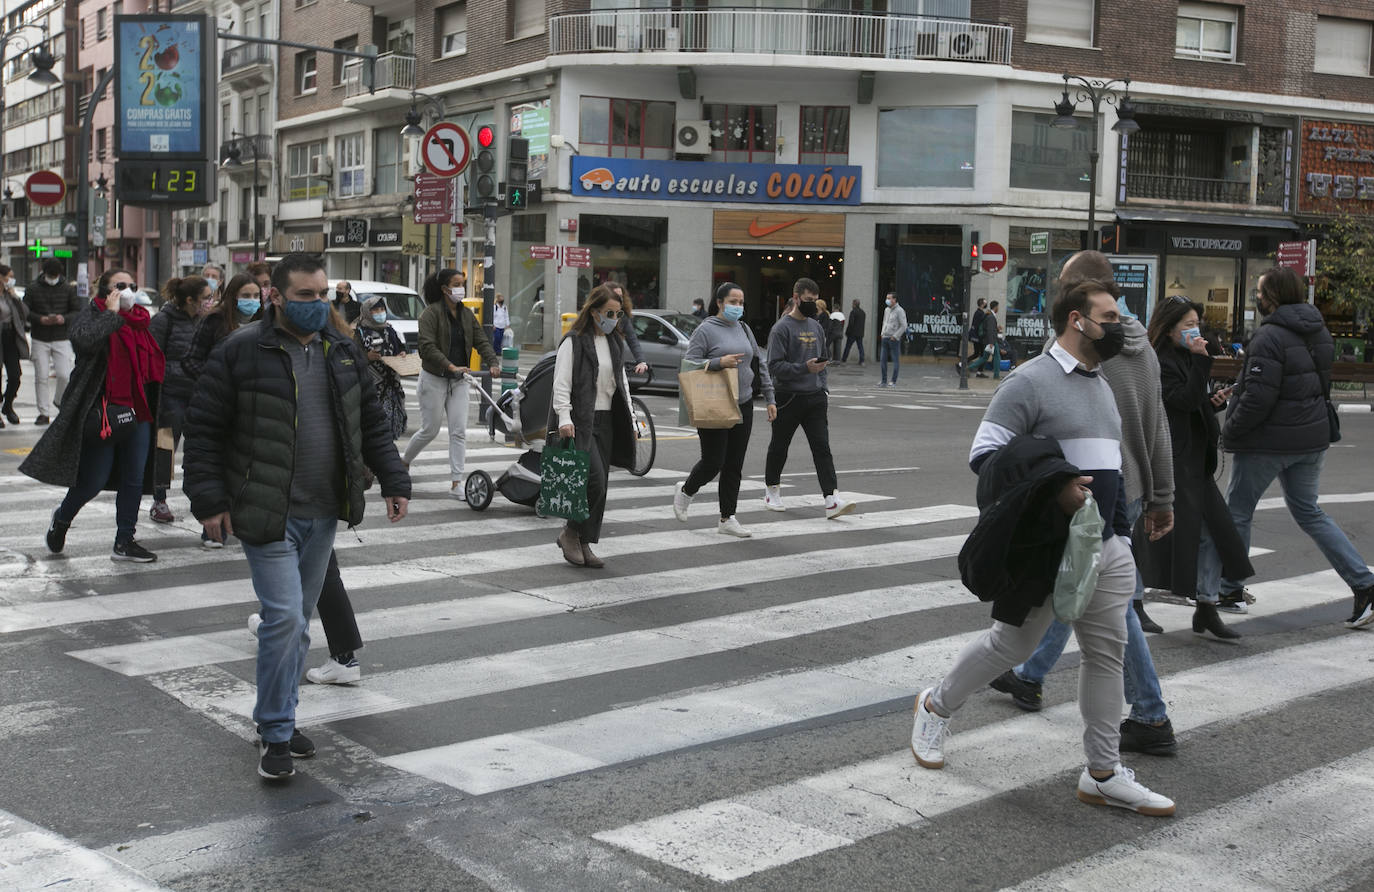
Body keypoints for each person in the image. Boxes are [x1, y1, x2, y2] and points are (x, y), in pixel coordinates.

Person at [911, 278, 1175, 817]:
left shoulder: (1103, 384)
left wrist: (1120, 537)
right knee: (1010, 646)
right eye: (1110, 316)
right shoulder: (1028, 382)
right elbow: (985, 456)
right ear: (1077, 320)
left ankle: (1101, 772)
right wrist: (1054, 487)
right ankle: (936, 706)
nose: (1121, 326)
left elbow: (1112, 470)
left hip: (1104, 547)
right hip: (1042, 549)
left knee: (1106, 656)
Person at [182, 253, 410, 781]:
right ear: (277, 297)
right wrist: (210, 502)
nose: (318, 304)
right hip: (265, 510)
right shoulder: (241, 350)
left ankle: (277, 718)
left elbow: (370, 424)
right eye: (306, 296)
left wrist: (395, 481)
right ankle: (277, 729)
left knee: (298, 624)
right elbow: (205, 431)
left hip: (323, 510)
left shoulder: (341, 351)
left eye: (323, 294)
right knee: (283, 617)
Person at [989, 251, 1180, 758]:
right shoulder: (1146, 348)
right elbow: (1158, 427)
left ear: (1080, 298)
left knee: (1114, 609)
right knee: (1080, 590)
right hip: (1132, 488)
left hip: (1097, 491)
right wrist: (1162, 495)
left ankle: (1150, 714)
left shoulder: (1098, 351)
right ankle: (1030, 677)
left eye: (1064, 290)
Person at [1220, 265, 1374, 628]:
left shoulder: (1268, 335)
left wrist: (1231, 431)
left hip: (1269, 442)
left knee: (1238, 512)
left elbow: (1259, 397)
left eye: (1259, 292)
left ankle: (1230, 588)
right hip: (1312, 438)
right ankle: (1364, 583)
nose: (1256, 298)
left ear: (1271, 296)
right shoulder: (1319, 329)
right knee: (1309, 512)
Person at [21, 267, 164, 563]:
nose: (127, 290)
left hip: (138, 409)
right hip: (103, 410)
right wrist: (111, 315)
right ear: (105, 291)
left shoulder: (140, 320)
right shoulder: (92, 315)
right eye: (119, 285)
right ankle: (62, 518)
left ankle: (124, 540)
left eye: (131, 284)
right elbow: (84, 342)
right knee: (93, 480)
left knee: (134, 478)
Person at [1133, 295, 1252, 640]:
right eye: (1188, 325)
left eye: (1197, 323)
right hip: (1172, 460)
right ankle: (1134, 603)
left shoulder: (1187, 357)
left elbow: (1190, 405)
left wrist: (1210, 404)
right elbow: (1180, 401)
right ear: (1169, 329)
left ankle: (1206, 605)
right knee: (1149, 533)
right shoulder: (1160, 360)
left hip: (1194, 461)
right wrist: (1203, 363)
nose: (1195, 330)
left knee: (1216, 533)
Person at [674, 282, 776, 537]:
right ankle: (687, 490)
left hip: (743, 402)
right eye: (733, 302)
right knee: (713, 461)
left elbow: (759, 362)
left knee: (734, 464)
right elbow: (689, 365)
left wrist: (770, 397)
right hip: (714, 402)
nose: (737, 307)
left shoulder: (743, 328)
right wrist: (719, 362)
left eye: (741, 303)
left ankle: (727, 517)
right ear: (719, 303)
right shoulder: (706, 330)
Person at [550, 284, 636, 568]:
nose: (613, 318)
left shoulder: (615, 342)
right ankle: (570, 532)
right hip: (582, 420)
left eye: (618, 313)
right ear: (594, 311)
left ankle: (583, 541)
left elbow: (621, 383)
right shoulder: (574, 341)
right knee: (593, 482)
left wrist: (632, 419)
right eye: (608, 313)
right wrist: (565, 417)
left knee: (601, 486)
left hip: (608, 420)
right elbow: (561, 384)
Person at [402, 268, 500, 500]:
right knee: (430, 430)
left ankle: (457, 482)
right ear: (445, 289)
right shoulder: (430, 314)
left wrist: (493, 362)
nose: (461, 288)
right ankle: (404, 461)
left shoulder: (467, 315)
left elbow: (481, 340)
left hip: (459, 381)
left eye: (462, 283)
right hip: (434, 379)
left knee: (459, 431)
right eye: (456, 284)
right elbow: (426, 347)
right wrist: (449, 366)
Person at [763, 278, 855, 519]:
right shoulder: (781, 328)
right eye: (807, 300)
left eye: (814, 301)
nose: (812, 305)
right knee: (780, 447)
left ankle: (831, 498)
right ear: (795, 298)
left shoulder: (816, 327)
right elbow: (774, 366)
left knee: (822, 447)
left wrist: (823, 387)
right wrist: (805, 369)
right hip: (788, 396)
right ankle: (772, 490)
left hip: (815, 397)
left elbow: (822, 362)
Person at [147, 276, 211, 525]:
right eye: (206, 297)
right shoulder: (164, 320)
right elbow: (152, 357)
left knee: (200, 450)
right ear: (189, 300)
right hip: (171, 395)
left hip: (200, 394)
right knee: (165, 448)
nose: (210, 302)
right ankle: (159, 499)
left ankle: (201, 498)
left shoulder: (205, 320)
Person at [24, 258, 82, 426]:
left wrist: (63, 318)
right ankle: (43, 413)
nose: (53, 278)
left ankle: (58, 400)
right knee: (41, 376)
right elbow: (25, 310)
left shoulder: (67, 289)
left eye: (55, 275)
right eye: (51, 275)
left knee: (64, 375)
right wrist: (39, 319)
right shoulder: (33, 288)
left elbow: (76, 310)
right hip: (39, 337)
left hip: (61, 337)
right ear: (45, 273)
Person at [355, 295, 409, 440]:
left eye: (382, 309)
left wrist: (402, 353)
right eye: (375, 310)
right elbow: (351, 356)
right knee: (372, 425)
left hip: (391, 384)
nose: (380, 312)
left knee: (390, 425)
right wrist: (367, 357)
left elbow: (400, 346)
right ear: (367, 312)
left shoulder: (389, 329)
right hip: (370, 386)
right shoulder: (359, 332)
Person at [0, 264, 28, 425]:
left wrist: (15, 296)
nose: (11, 280)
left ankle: (8, 404)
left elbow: (25, 314)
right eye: (8, 277)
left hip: (10, 337)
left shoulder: (10, 296)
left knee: (15, 375)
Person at [606, 281, 649, 375]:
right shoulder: (595, 315)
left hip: (615, 364)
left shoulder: (623, 317)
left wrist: (641, 361)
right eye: (615, 296)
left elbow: (633, 340)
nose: (619, 299)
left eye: (621, 296)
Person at [967, 300, 1002, 379]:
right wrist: (991, 342)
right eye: (998, 307)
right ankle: (996, 375)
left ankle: (968, 368)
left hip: (989, 340)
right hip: (991, 341)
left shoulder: (990, 316)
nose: (998, 308)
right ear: (995, 307)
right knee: (997, 357)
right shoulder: (991, 317)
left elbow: (990, 329)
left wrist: (996, 329)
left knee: (984, 358)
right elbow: (989, 330)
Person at [878, 292, 906, 388]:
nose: (887, 300)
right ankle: (883, 380)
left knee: (895, 360)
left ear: (894, 300)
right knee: (883, 360)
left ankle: (893, 381)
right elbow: (884, 322)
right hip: (885, 337)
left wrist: (895, 336)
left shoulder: (900, 311)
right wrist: (882, 333)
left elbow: (903, 325)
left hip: (893, 338)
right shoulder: (887, 310)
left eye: (889, 298)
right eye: (887, 298)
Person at [965, 297, 988, 368]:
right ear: (982, 304)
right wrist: (986, 315)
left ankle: (964, 363)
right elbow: (978, 323)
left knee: (977, 353)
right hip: (977, 337)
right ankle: (977, 369)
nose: (986, 304)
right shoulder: (979, 313)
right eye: (985, 303)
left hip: (976, 336)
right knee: (980, 354)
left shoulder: (979, 312)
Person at [842, 298, 866, 364]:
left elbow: (851, 323)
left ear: (854, 304)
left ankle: (844, 359)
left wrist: (847, 332)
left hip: (852, 333)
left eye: (852, 304)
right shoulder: (863, 312)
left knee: (848, 346)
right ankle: (862, 360)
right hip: (860, 333)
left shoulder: (853, 312)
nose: (852, 305)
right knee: (860, 347)